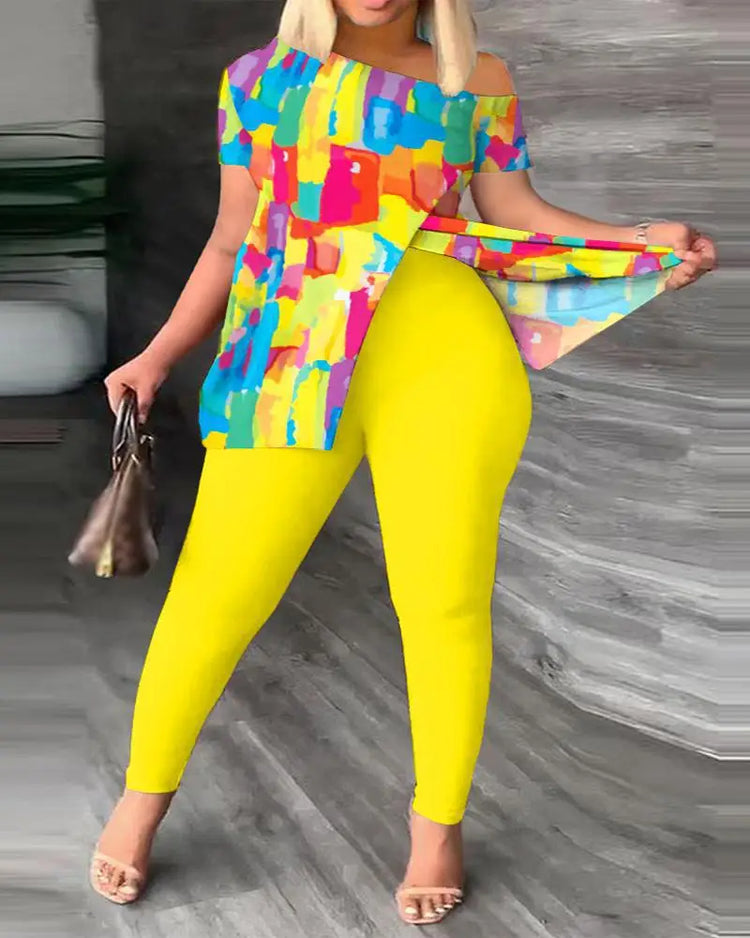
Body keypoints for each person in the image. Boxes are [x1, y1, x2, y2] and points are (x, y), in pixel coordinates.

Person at [90, 0, 716, 926]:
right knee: (215, 591)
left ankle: (437, 824)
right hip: (288, 352)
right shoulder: (258, 81)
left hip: (446, 352)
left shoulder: (477, 78)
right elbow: (232, 238)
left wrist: (639, 240)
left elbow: (514, 213)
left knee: (445, 600)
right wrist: (156, 356)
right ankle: (142, 800)